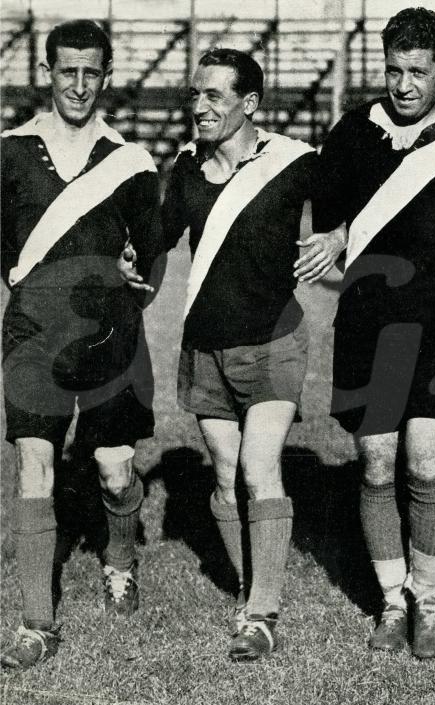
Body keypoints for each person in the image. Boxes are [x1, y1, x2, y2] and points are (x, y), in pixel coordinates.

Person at [120, 48, 340, 661]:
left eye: (215, 96)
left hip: (273, 341)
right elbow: (162, 234)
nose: (200, 106)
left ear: (249, 104)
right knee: (223, 471)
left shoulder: (293, 163)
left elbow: (351, 196)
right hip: (205, 344)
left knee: (256, 468)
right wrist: (131, 253)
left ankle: (262, 614)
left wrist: (337, 235)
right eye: (196, 94)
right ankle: (252, 589)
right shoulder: (187, 166)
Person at [311, 7, 435, 660]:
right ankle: (392, 600)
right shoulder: (352, 136)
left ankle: (429, 595)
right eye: (394, 70)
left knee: (429, 461)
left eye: (418, 72)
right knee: (377, 463)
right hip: (368, 324)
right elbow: (332, 230)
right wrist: (334, 237)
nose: (404, 85)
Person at [1, 19, 161, 670]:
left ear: (106, 75)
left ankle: (120, 556)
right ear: (47, 73)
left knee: (114, 468)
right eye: (66, 70)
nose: (78, 84)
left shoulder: (130, 161)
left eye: (91, 72)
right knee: (34, 465)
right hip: (34, 330)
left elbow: (150, 257)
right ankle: (37, 622)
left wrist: (127, 278)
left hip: (109, 330)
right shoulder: (10, 152)